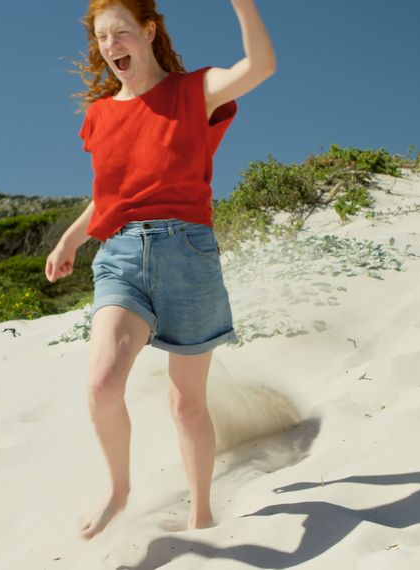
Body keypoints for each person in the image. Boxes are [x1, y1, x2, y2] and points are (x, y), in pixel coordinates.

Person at [44, 0, 276, 540]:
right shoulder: (99, 115)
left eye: (121, 33)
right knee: (103, 383)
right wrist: (69, 240)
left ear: (149, 32)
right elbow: (110, 196)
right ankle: (119, 489)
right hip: (122, 255)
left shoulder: (192, 91)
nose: (111, 46)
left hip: (188, 254)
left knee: (187, 404)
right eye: (103, 38)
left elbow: (260, 66)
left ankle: (201, 513)